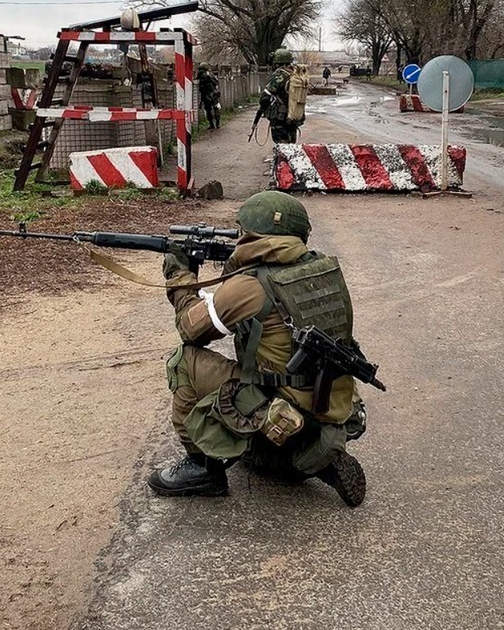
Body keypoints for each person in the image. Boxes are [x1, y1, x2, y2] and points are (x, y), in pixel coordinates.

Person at [147, 191, 370, 507]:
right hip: (328, 405)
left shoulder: (251, 285)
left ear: (252, 233)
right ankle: (317, 456)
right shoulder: (324, 268)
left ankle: (202, 468)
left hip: (280, 406)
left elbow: (190, 328)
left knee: (184, 361)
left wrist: (179, 274)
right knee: (261, 440)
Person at [256, 48, 303, 144]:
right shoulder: (294, 74)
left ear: (277, 63)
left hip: (280, 118)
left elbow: (265, 97)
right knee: (291, 146)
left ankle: (281, 159)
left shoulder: (279, 75)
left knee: (281, 145)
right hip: (293, 116)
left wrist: (262, 110)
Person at [196, 62, 222, 129]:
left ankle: (214, 124)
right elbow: (216, 82)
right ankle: (215, 124)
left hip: (210, 94)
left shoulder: (207, 75)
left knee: (211, 109)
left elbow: (215, 82)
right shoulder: (208, 74)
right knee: (213, 109)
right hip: (209, 94)